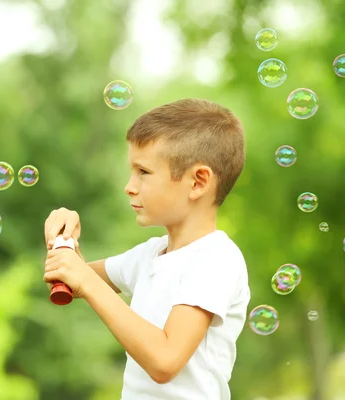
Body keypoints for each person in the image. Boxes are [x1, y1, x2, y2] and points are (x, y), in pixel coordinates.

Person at [42, 98, 250, 400]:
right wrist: (64, 242)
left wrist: (83, 279)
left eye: (143, 172)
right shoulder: (149, 255)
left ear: (197, 182)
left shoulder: (216, 259)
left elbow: (165, 362)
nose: (129, 185)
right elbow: (69, 283)